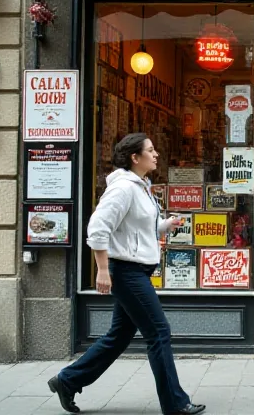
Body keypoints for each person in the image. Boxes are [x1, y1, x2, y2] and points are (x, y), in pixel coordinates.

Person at [48, 133, 205, 415]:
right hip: (125, 272)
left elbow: (136, 227)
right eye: (151, 150)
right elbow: (97, 229)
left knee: (119, 336)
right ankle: (176, 404)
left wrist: (165, 225)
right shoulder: (123, 188)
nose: (156, 154)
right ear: (135, 157)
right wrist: (103, 270)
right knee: (158, 332)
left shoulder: (141, 186)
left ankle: (68, 380)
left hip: (135, 271)